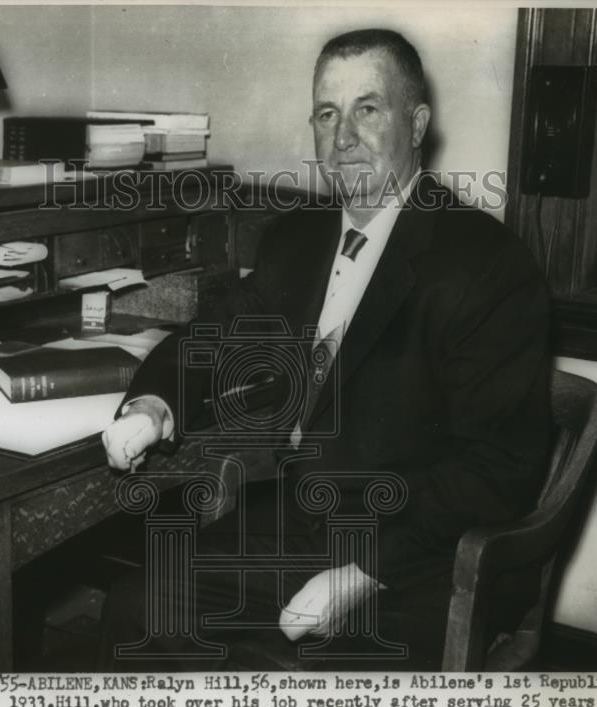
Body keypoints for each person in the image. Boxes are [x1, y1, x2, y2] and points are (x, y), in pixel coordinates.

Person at [98, 28, 551, 671]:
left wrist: (360, 573)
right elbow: (217, 336)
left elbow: (498, 467)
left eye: (368, 109)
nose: (343, 137)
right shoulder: (298, 239)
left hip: (423, 559)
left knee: (295, 690)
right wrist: (152, 404)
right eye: (326, 113)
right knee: (138, 609)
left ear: (416, 123)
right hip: (298, 522)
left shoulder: (484, 262)